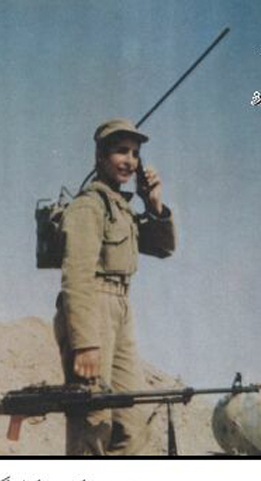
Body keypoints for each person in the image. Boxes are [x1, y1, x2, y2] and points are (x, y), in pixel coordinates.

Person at [53, 118, 176, 455]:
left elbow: (164, 247)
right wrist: (85, 342)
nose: (130, 161)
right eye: (121, 151)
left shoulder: (121, 208)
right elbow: (76, 276)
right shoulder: (89, 206)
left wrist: (153, 204)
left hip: (120, 308)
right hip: (92, 307)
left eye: (135, 154)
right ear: (100, 156)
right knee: (91, 419)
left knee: (130, 422)